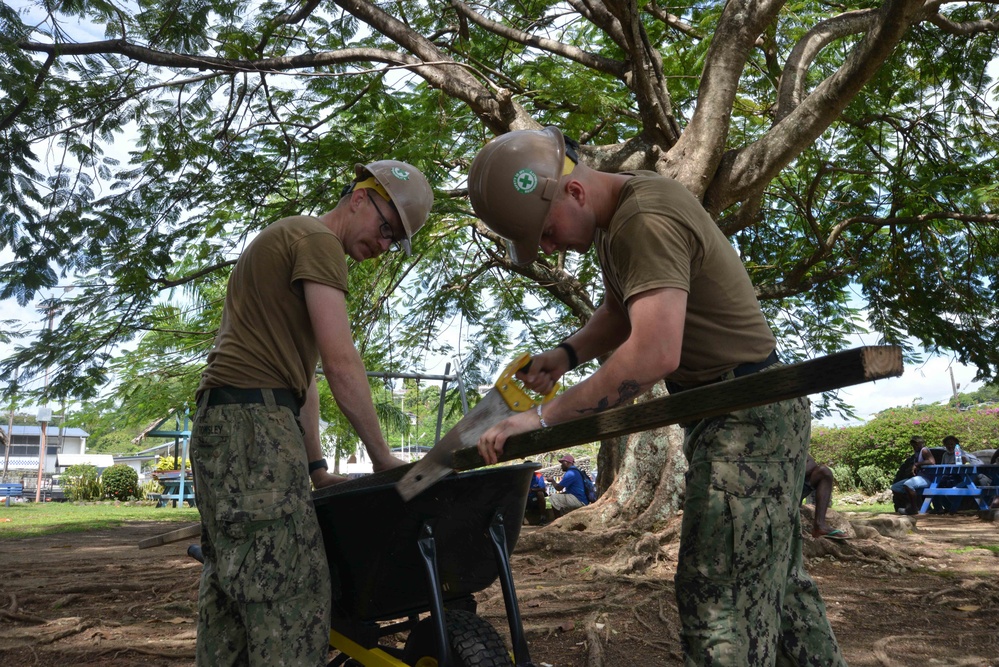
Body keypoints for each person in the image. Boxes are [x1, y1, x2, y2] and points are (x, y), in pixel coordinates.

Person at [467, 127, 845, 666]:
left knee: (719, 602)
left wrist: (541, 419)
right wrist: (567, 354)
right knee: (777, 589)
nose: (547, 249)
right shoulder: (619, 215)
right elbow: (622, 310)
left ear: (571, 192)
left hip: (744, 413)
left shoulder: (641, 219)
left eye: (545, 233)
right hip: (732, 411)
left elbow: (651, 353)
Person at [190, 160, 433, 666]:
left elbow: (304, 378)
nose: (384, 245)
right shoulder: (319, 241)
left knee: (232, 585)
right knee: (293, 595)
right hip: (254, 428)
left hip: (232, 423)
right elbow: (343, 363)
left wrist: (316, 467)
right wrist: (384, 459)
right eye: (386, 228)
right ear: (360, 197)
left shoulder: (288, 239)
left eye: (395, 241)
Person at [889, 436, 935, 515]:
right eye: (913, 445)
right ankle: (911, 505)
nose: (914, 446)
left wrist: (917, 464)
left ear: (921, 443)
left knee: (908, 484)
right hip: (918, 477)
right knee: (896, 487)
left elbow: (932, 461)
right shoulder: (916, 453)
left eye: (916, 444)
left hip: (926, 478)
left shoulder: (924, 451)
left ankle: (913, 508)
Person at [803, 455, 845, 539]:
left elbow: (811, 463)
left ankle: (819, 526)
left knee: (824, 471)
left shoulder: (793, 444)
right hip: (774, 493)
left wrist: (794, 475)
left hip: (793, 487)